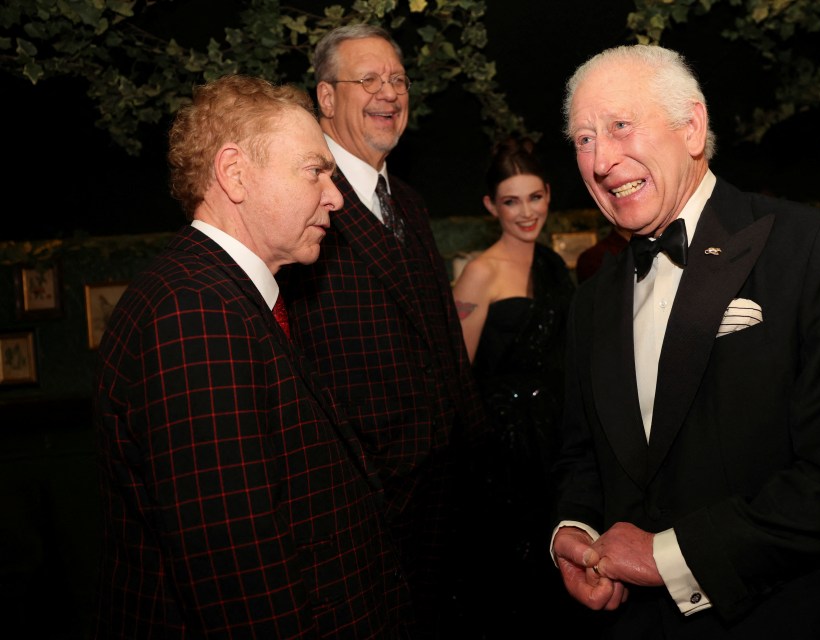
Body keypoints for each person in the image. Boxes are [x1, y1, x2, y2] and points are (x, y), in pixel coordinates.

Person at [550, 44, 820, 638]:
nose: (601, 160)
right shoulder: (591, 299)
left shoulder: (813, 250)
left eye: (619, 127)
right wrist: (574, 530)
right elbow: (581, 453)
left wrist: (668, 557)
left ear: (692, 127)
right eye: (583, 139)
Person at [92, 74, 412, 639]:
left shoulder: (224, 295)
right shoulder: (193, 314)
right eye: (316, 170)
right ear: (235, 173)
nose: (336, 196)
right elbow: (241, 579)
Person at [279, 24, 487, 638]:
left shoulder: (411, 206)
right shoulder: (302, 201)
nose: (388, 92)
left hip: (446, 496)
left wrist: (475, 448)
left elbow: (443, 342)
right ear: (324, 98)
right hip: (360, 504)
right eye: (367, 79)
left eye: (397, 79)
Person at [451, 139, 579, 636]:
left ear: (548, 194)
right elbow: (456, 376)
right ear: (491, 206)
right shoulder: (479, 275)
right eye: (511, 201)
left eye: (534, 197)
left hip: (556, 437)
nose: (526, 212)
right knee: (512, 579)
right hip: (501, 450)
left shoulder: (552, 265)